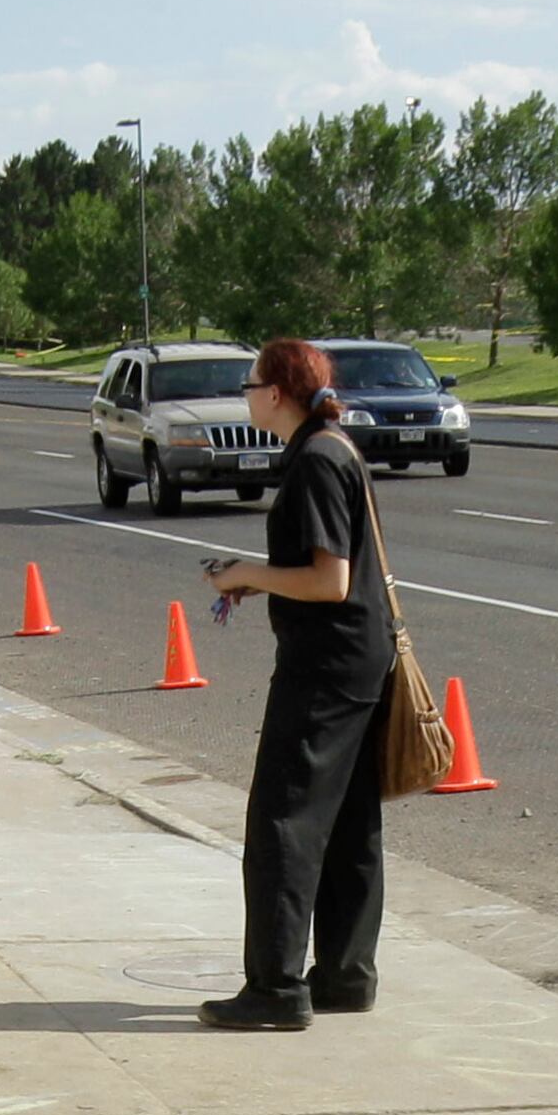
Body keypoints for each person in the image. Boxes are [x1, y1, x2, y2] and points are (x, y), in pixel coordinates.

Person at [196, 338, 391, 1031]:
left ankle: (276, 987)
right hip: (362, 657)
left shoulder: (313, 459)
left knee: (282, 818)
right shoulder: (335, 448)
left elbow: (327, 580)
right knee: (346, 821)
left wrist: (247, 574)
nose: (245, 396)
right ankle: (345, 974)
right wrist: (259, 576)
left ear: (276, 393)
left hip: (326, 665)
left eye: (249, 385)